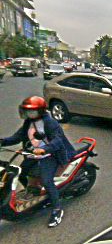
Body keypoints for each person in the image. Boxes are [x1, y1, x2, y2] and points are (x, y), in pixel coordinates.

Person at [0, 96, 76, 227]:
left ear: (40, 111)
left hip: (51, 155)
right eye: (27, 111)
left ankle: (57, 209)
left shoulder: (50, 123)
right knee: (21, 174)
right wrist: (3, 142)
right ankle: (33, 191)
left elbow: (58, 141)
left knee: (47, 181)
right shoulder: (29, 122)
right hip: (34, 154)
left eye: (31, 111)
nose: (28, 113)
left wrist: (44, 149)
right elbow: (18, 136)